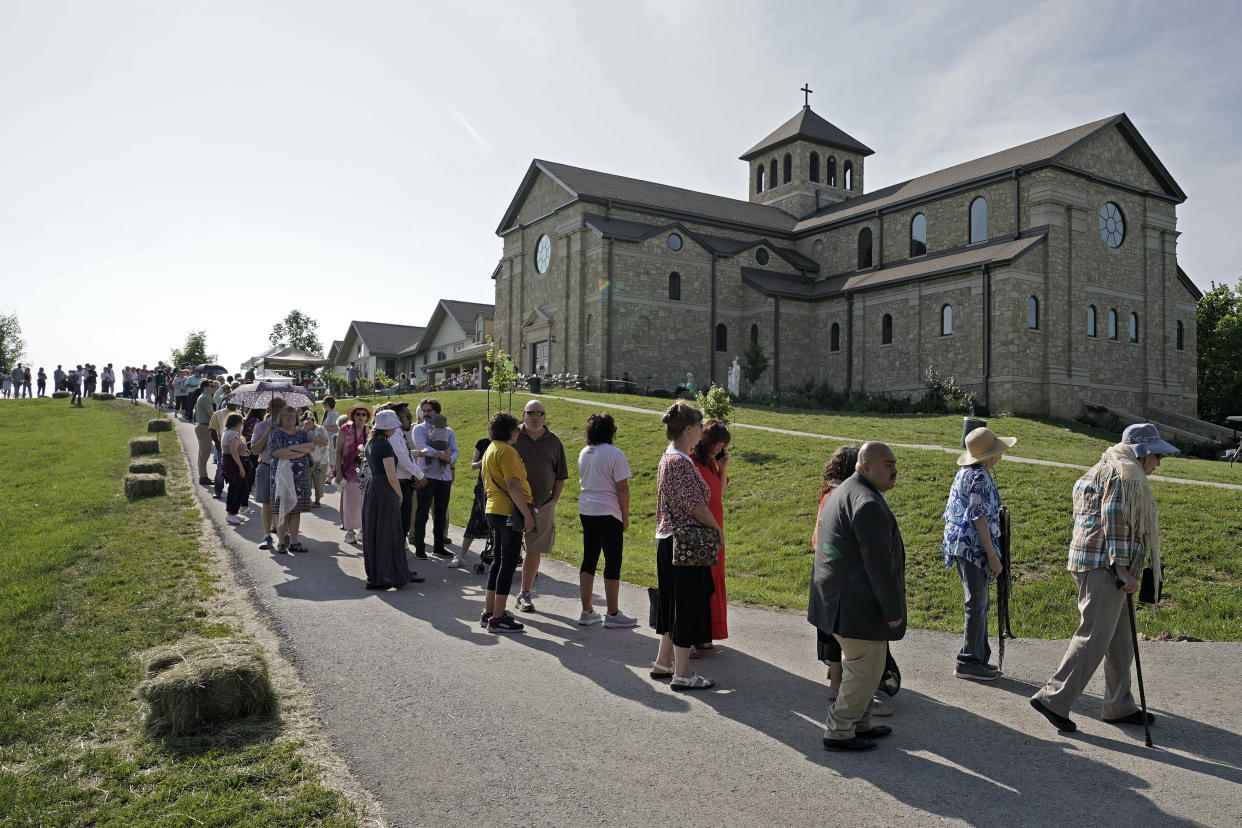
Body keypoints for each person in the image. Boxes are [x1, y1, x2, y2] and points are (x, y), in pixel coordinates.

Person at [1030, 423, 1178, 734]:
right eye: (1157, 457)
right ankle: (1053, 698)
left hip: (1092, 562)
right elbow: (1114, 517)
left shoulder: (1104, 466)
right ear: (1143, 453)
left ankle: (1118, 705)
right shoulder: (1124, 473)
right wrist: (1121, 568)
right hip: (1105, 568)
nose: (1159, 464)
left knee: (1120, 639)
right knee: (1095, 634)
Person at [808, 441, 907, 752]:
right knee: (864, 669)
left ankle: (860, 722)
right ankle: (838, 730)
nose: (894, 470)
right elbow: (879, 566)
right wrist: (892, 610)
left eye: (895, 464)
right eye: (887, 465)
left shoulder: (849, 490)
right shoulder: (867, 503)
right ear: (864, 466)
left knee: (871, 667)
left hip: (840, 599)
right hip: (854, 603)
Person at [650, 401, 720, 690]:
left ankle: (663, 662)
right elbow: (697, 508)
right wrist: (717, 530)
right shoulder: (679, 460)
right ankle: (683, 672)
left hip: (669, 539)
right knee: (685, 605)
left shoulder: (671, 457)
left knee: (671, 604)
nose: (702, 434)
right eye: (700, 428)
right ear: (689, 429)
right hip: (685, 542)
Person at [943, 426, 1017, 681]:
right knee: (976, 603)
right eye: (997, 451)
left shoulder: (968, 472)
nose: (1000, 455)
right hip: (973, 547)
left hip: (962, 544)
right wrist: (993, 556)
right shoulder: (980, 477)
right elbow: (978, 518)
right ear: (989, 455)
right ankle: (969, 661)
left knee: (980, 602)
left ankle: (978, 656)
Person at [576, 412, 636, 627]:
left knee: (589, 557)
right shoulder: (614, 453)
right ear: (611, 432)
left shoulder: (584, 452)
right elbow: (623, 489)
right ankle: (612, 613)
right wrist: (625, 516)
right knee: (612, 561)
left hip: (586, 508)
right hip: (608, 511)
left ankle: (587, 610)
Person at [480, 411, 535, 633]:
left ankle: (490, 611)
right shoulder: (507, 452)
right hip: (508, 511)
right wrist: (527, 514)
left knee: (498, 561)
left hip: (493, 508)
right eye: (516, 431)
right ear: (512, 432)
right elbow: (513, 485)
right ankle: (499, 617)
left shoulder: (490, 449)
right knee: (508, 564)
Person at [513, 399, 568, 612]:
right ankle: (498, 597)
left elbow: (560, 475)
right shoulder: (513, 436)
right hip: (513, 504)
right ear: (523, 414)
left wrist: (553, 501)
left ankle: (524, 594)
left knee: (534, 550)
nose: (535, 417)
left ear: (545, 416)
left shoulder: (554, 441)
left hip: (543, 504)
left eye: (540, 413)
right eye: (531, 412)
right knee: (509, 550)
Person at [362, 409, 424, 589]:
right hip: (384, 489)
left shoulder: (371, 442)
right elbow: (391, 476)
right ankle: (390, 574)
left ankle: (378, 573)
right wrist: (400, 494)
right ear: (389, 427)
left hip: (373, 487)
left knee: (375, 531)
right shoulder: (385, 445)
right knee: (390, 532)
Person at [691, 419, 731, 646]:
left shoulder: (710, 464)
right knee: (702, 581)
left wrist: (723, 466)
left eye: (722, 445)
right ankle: (697, 633)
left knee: (713, 579)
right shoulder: (693, 463)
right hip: (703, 528)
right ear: (705, 440)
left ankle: (707, 632)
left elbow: (719, 492)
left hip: (715, 525)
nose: (719, 448)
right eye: (716, 443)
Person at [269, 406, 320, 554]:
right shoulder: (276, 433)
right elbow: (277, 452)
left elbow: (311, 447)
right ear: (280, 418)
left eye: (293, 415)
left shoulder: (302, 433)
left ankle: (294, 542)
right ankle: (281, 542)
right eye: (286, 415)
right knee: (281, 510)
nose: (290, 418)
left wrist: (291, 448)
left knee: (295, 511)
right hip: (281, 478)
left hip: (300, 478)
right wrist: (299, 452)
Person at [411, 398, 458, 559]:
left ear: (437, 412)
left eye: (429, 411)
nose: (425, 414)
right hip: (426, 476)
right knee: (422, 512)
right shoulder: (418, 429)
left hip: (443, 478)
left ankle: (439, 546)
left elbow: (455, 450)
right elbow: (422, 447)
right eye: (423, 410)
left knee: (440, 514)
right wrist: (441, 455)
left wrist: (450, 459)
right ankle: (419, 547)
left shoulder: (448, 431)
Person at [450, 433, 493, 570]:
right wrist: (485, 460)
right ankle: (461, 557)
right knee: (474, 521)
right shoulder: (483, 443)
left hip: (501, 489)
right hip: (483, 488)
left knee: (502, 526)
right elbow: (473, 465)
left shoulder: (509, 443)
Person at [250, 397, 286, 550]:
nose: (279, 411)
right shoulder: (260, 426)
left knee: (283, 503)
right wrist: (268, 431)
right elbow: (255, 450)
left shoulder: (289, 425)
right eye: (276, 407)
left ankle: (283, 537)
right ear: (269, 409)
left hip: (284, 467)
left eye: (281, 407)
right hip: (266, 466)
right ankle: (267, 536)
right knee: (267, 504)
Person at [388, 402, 426, 540]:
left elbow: (406, 455)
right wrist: (420, 476)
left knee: (404, 521)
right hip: (398, 483)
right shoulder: (393, 436)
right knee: (400, 522)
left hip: (406, 482)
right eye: (408, 417)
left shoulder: (400, 434)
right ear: (398, 418)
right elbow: (402, 460)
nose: (411, 420)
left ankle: (399, 549)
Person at [335, 403, 371, 544]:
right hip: (348, 469)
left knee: (364, 501)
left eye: (364, 414)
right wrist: (338, 472)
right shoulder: (345, 429)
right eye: (358, 414)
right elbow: (338, 452)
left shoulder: (369, 430)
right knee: (351, 500)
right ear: (353, 416)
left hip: (365, 470)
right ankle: (349, 531)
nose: (361, 417)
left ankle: (362, 529)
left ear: (367, 417)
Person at [221, 412, 252, 525]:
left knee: (235, 487)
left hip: (231, 462)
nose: (242, 425)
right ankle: (231, 513)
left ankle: (232, 512)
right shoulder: (233, 434)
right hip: (234, 464)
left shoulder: (228, 433)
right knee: (241, 487)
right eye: (241, 423)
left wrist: (245, 450)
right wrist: (240, 467)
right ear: (237, 423)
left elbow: (234, 449)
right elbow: (233, 451)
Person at [208, 397, 240, 499]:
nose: (234, 403)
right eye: (232, 401)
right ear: (227, 402)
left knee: (236, 468)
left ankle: (234, 491)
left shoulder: (239, 414)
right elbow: (212, 429)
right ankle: (218, 490)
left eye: (236, 401)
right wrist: (216, 442)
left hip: (237, 445)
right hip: (223, 445)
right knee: (220, 468)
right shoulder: (218, 413)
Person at [302, 410, 331, 507]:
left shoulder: (320, 429)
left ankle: (317, 500)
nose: (309, 421)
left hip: (320, 459)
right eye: (306, 419)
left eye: (311, 418)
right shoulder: (302, 430)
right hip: (306, 459)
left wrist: (313, 437)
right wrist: (304, 429)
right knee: (306, 481)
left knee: (319, 481)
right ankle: (307, 499)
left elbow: (326, 442)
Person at [193, 380, 218, 484]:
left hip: (204, 426)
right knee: (205, 454)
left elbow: (215, 402)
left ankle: (203, 476)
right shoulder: (203, 398)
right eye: (211, 386)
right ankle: (203, 477)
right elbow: (211, 413)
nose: (213, 388)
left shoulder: (206, 397)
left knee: (203, 453)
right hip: (204, 427)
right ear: (205, 387)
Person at [321, 395, 341, 478]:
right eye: (324, 403)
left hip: (333, 438)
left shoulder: (334, 413)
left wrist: (323, 428)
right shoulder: (327, 413)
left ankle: (333, 475)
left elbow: (336, 428)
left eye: (325, 403)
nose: (324, 405)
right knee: (328, 457)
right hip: (327, 438)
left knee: (332, 457)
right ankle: (330, 474)